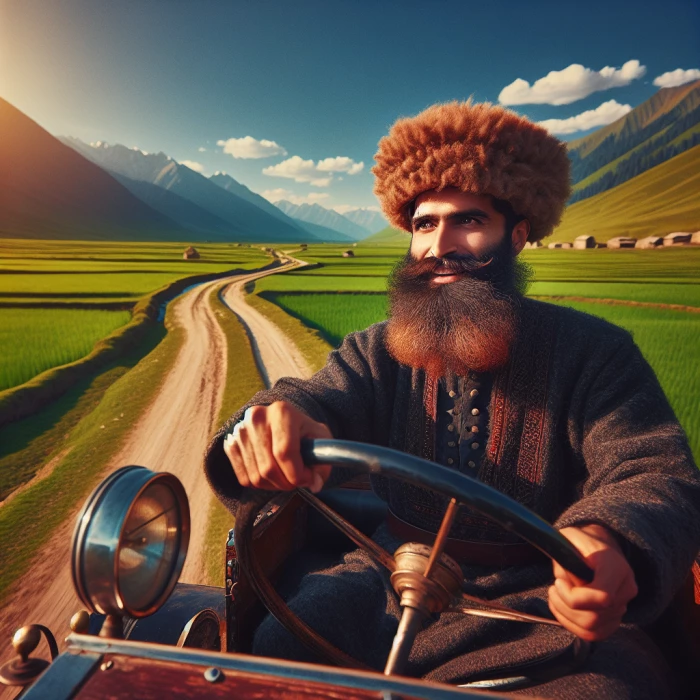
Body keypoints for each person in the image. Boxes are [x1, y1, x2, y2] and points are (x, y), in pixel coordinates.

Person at [204, 101, 700, 697]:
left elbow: (654, 469)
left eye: (468, 220)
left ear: (516, 235)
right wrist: (273, 417)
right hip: (388, 573)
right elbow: (313, 398)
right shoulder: (377, 351)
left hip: (540, 598)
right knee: (277, 654)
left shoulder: (594, 353)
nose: (442, 245)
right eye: (424, 224)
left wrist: (608, 538)